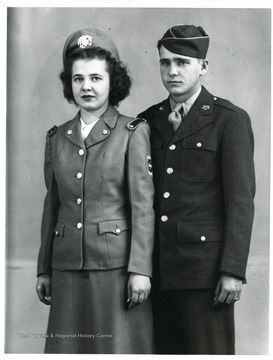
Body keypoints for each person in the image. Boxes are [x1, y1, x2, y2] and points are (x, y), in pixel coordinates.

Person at [138, 24, 255, 354]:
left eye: (182, 62)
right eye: (165, 63)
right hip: (158, 274)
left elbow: (241, 201)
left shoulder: (228, 120)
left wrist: (233, 271)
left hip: (205, 276)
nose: (172, 71)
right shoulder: (148, 121)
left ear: (203, 67)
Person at [36, 28, 155, 354]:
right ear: (69, 84)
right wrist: (44, 269)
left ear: (112, 82)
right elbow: (53, 206)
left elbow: (143, 208)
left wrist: (141, 270)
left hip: (115, 271)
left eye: (95, 78)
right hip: (66, 268)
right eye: (77, 79)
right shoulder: (57, 138)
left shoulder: (132, 132)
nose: (86, 87)